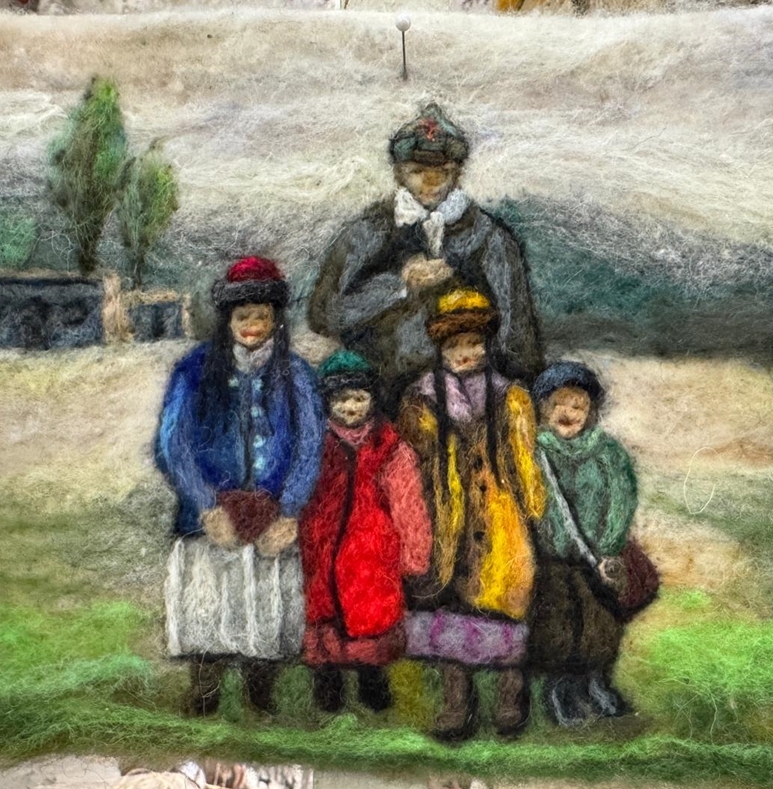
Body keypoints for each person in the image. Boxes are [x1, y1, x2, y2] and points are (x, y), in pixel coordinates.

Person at [155, 256, 325, 717]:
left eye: (262, 316)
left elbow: (311, 445)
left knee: (264, 608)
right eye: (243, 316)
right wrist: (206, 506)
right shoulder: (194, 370)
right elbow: (173, 443)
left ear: (276, 320)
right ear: (227, 319)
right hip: (209, 518)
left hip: (272, 517)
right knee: (207, 606)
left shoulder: (297, 375)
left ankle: (259, 696)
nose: (252, 326)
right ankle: (204, 692)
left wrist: (290, 511)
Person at [308, 103, 543, 411]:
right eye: (418, 172)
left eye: (441, 172)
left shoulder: (490, 238)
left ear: (457, 174)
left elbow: (516, 334)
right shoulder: (368, 231)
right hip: (380, 402)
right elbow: (324, 314)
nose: (430, 183)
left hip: (472, 403)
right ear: (398, 173)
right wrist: (399, 285)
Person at [398, 288, 546, 741]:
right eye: (454, 345)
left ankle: (510, 698)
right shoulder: (422, 398)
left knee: (506, 600)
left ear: (487, 344)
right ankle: (456, 702)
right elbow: (414, 461)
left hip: (499, 516)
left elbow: (525, 462)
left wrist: (533, 506)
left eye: (474, 343)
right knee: (450, 607)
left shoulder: (510, 397)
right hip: (448, 517)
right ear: (440, 348)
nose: (465, 353)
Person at [298, 350, 432, 713]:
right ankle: (328, 682)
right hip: (323, 545)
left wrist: (414, 553)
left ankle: (372, 681)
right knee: (323, 614)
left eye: (359, 398)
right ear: (327, 402)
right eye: (341, 399)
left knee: (371, 617)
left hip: (372, 551)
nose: (351, 407)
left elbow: (408, 504)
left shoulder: (390, 447)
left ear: (373, 399)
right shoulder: (315, 444)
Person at [527, 361, 641, 726]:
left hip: (597, 562)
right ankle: (561, 690)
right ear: (544, 408)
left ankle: (596, 683)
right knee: (558, 627)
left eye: (578, 405)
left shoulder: (608, 453)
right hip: (553, 562)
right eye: (559, 403)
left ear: (591, 411)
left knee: (600, 625)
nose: (568, 412)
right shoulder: (534, 452)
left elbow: (622, 499)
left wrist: (609, 545)